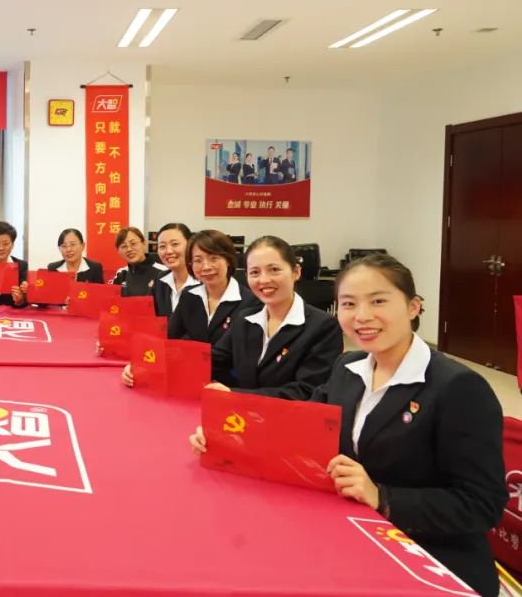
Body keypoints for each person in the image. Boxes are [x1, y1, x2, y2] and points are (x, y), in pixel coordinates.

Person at [190, 254, 506, 597]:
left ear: (413, 307)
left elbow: (482, 503)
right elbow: (300, 423)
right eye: (349, 304)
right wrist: (230, 435)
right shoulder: (349, 367)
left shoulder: (458, 388)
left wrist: (381, 496)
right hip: (349, 537)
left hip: (427, 561)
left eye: (378, 301)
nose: (362, 316)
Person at [130, 235, 339, 397]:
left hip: (284, 427)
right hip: (239, 421)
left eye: (274, 270)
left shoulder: (323, 327)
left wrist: (234, 394)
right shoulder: (247, 318)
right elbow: (213, 360)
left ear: (296, 272)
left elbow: (307, 390)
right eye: (255, 272)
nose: (263, 280)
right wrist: (149, 367)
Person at [167, 229, 258, 344]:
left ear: (228, 259)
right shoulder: (189, 296)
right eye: (198, 260)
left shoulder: (251, 302)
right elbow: (171, 337)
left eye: (213, 258)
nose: (206, 267)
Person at [151, 222, 199, 317]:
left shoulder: (204, 280)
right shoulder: (160, 280)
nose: (168, 251)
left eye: (175, 244)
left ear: (190, 245)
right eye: (162, 246)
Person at [111, 227, 165, 297]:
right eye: (124, 246)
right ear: (118, 251)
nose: (129, 249)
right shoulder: (121, 273)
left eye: (133, 244)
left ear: (144, 244)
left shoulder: (163, 272)